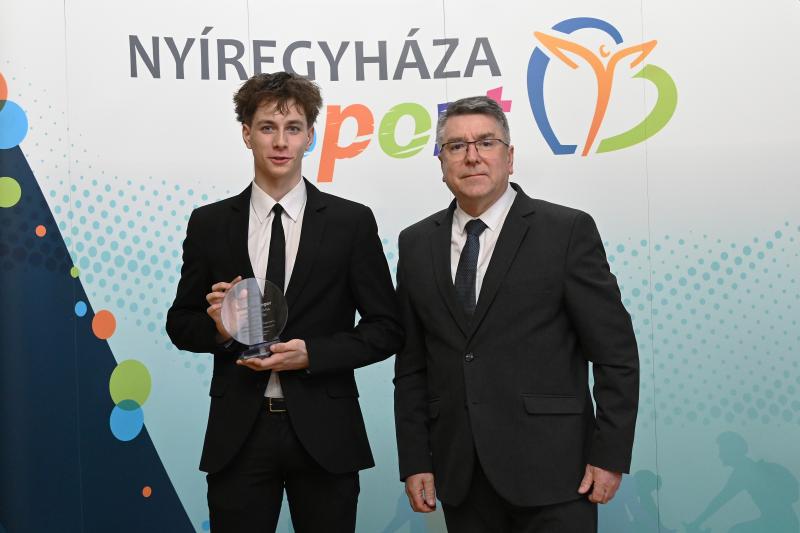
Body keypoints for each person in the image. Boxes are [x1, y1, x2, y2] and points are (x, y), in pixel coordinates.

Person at [166, 72, 403, 533]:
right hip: (239, 432)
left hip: (327, 431)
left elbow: (387, 328)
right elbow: (180, 322)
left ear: (310, 136)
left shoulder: (351, 222)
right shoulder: (210, 223)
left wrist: (313, 354)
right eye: (267, 127)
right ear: (247, 134)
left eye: (293, 128)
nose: (280, 141)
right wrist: (220, 330)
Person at [393, 96, 640, 532]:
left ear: (509, 157)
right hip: (461, 473)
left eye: (486, 142)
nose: (472, 156)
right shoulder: (415, 244)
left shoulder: (566, 231)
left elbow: (615, 354)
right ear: (441, 163)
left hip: (556, 471)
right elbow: (412, 366)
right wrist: (416, 460)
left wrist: (609, 454)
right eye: (456, 146)